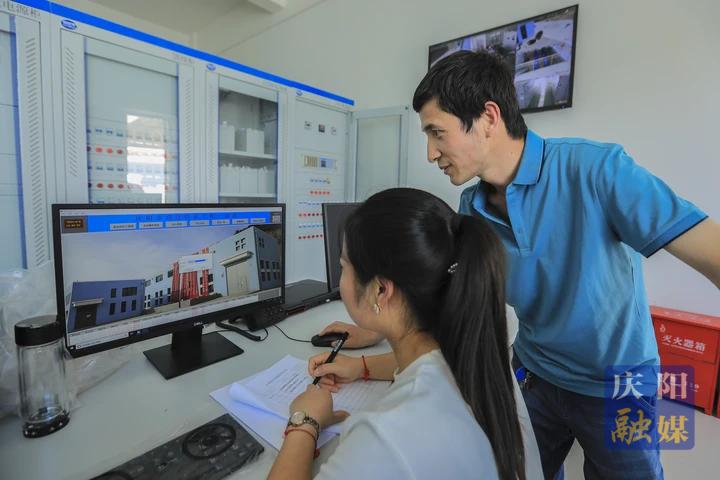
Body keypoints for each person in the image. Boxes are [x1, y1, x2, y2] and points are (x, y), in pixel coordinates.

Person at [320, 51, 720, 480]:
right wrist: (372, 328)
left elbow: (712, 251)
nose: (431, 153)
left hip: (619, 384)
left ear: (488, 118)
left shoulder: (596, 171)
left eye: (437, 133)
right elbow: (440, 306)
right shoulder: (470, 208)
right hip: (532, 375)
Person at [268, 188, 542, 480]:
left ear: (380, 290)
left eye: (343, 266)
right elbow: (431, 367)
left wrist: (304, 421)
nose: (341, 275)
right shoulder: (479, 354)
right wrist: (361, 367)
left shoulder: (384, 437)